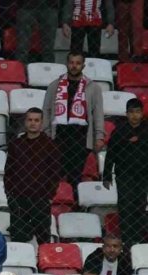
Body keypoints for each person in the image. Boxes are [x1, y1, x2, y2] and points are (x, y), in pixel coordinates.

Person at [42, 51, 105, 189]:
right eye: (71, 62)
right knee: (53, 176)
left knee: (75, 177)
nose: (74, 66)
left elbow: (98, 114)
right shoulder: (54, 85)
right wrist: (46, 133)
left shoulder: (93, 88)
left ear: (83, 65)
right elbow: (46, 110)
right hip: (58, 137)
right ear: (67, 63)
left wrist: (99, 136)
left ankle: (74, 206)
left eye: (78, 63)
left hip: (80, 138)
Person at [4, 108, 62, 244]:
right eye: (30, 120)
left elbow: (55, 173)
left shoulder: (50, 145)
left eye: (36, 120)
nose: (33, 123)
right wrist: (9, 194)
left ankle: (44, 264)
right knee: (18, 239)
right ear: (25, 122)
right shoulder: (16, 145)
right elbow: (9, 171)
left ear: (42, 123)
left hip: (41, 199)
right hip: (19, 199)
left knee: (43, 240)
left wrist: (49, 196)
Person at [102, 98, 148, 247]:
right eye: (132, 112)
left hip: (143, 176)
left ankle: (139, 241)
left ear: (142, 113)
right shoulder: (119, 131)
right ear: (126, 114)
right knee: (125, 206)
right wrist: (107, 175)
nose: (135, 116)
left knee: (140, 206)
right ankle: (127, 241)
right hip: (124, 176)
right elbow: (111, 154)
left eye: (138, 112)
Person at [16, 0, 59, 64]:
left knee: (48, 49)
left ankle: (49, 72)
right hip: (26, 6)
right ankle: (20, 71)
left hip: (49, 6)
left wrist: (66, 21)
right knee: (22, 48)